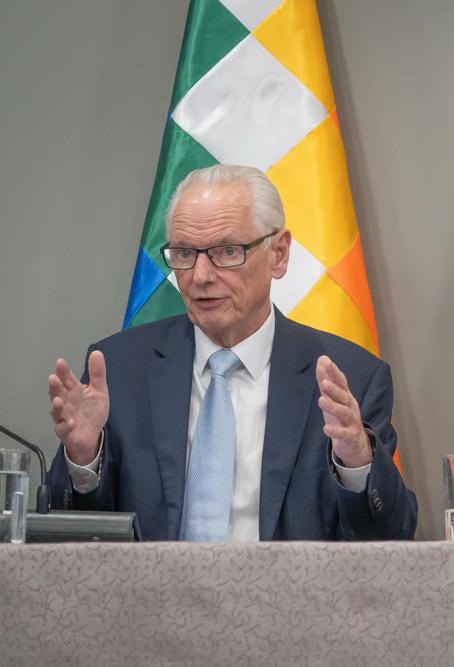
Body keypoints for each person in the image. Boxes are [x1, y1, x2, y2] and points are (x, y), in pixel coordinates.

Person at [47, 165, 416, 541]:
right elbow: (72, 545)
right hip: (152, 597)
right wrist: (83, 458)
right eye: (184, 253)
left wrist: (356, 462)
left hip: (289, 598)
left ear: (279, 254)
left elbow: (392, 538)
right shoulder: (118, 370)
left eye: (226, 251)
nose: (200, 276)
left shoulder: (353, 378)